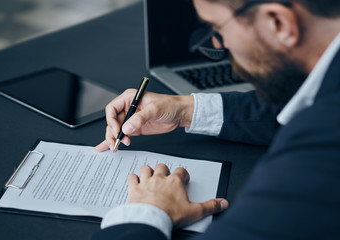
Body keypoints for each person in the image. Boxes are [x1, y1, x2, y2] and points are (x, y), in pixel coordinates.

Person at [92, 0, 340, 239]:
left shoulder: (323, 149)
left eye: (218, 28)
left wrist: (144, 215)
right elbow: (298, 105)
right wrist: (184, 110)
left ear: (278, 22)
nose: (216, 42)